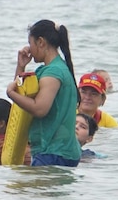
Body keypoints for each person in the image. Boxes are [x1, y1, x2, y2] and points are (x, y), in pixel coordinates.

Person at [6, 19, 81, 167]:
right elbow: (22, 91)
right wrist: (21, 66)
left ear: (41, 42)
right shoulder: (49, 70)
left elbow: (39, 109)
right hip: (59, 151)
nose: (29, 48)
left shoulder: (53, 73)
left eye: (31, 42)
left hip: (54, 152)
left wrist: (10, 93)